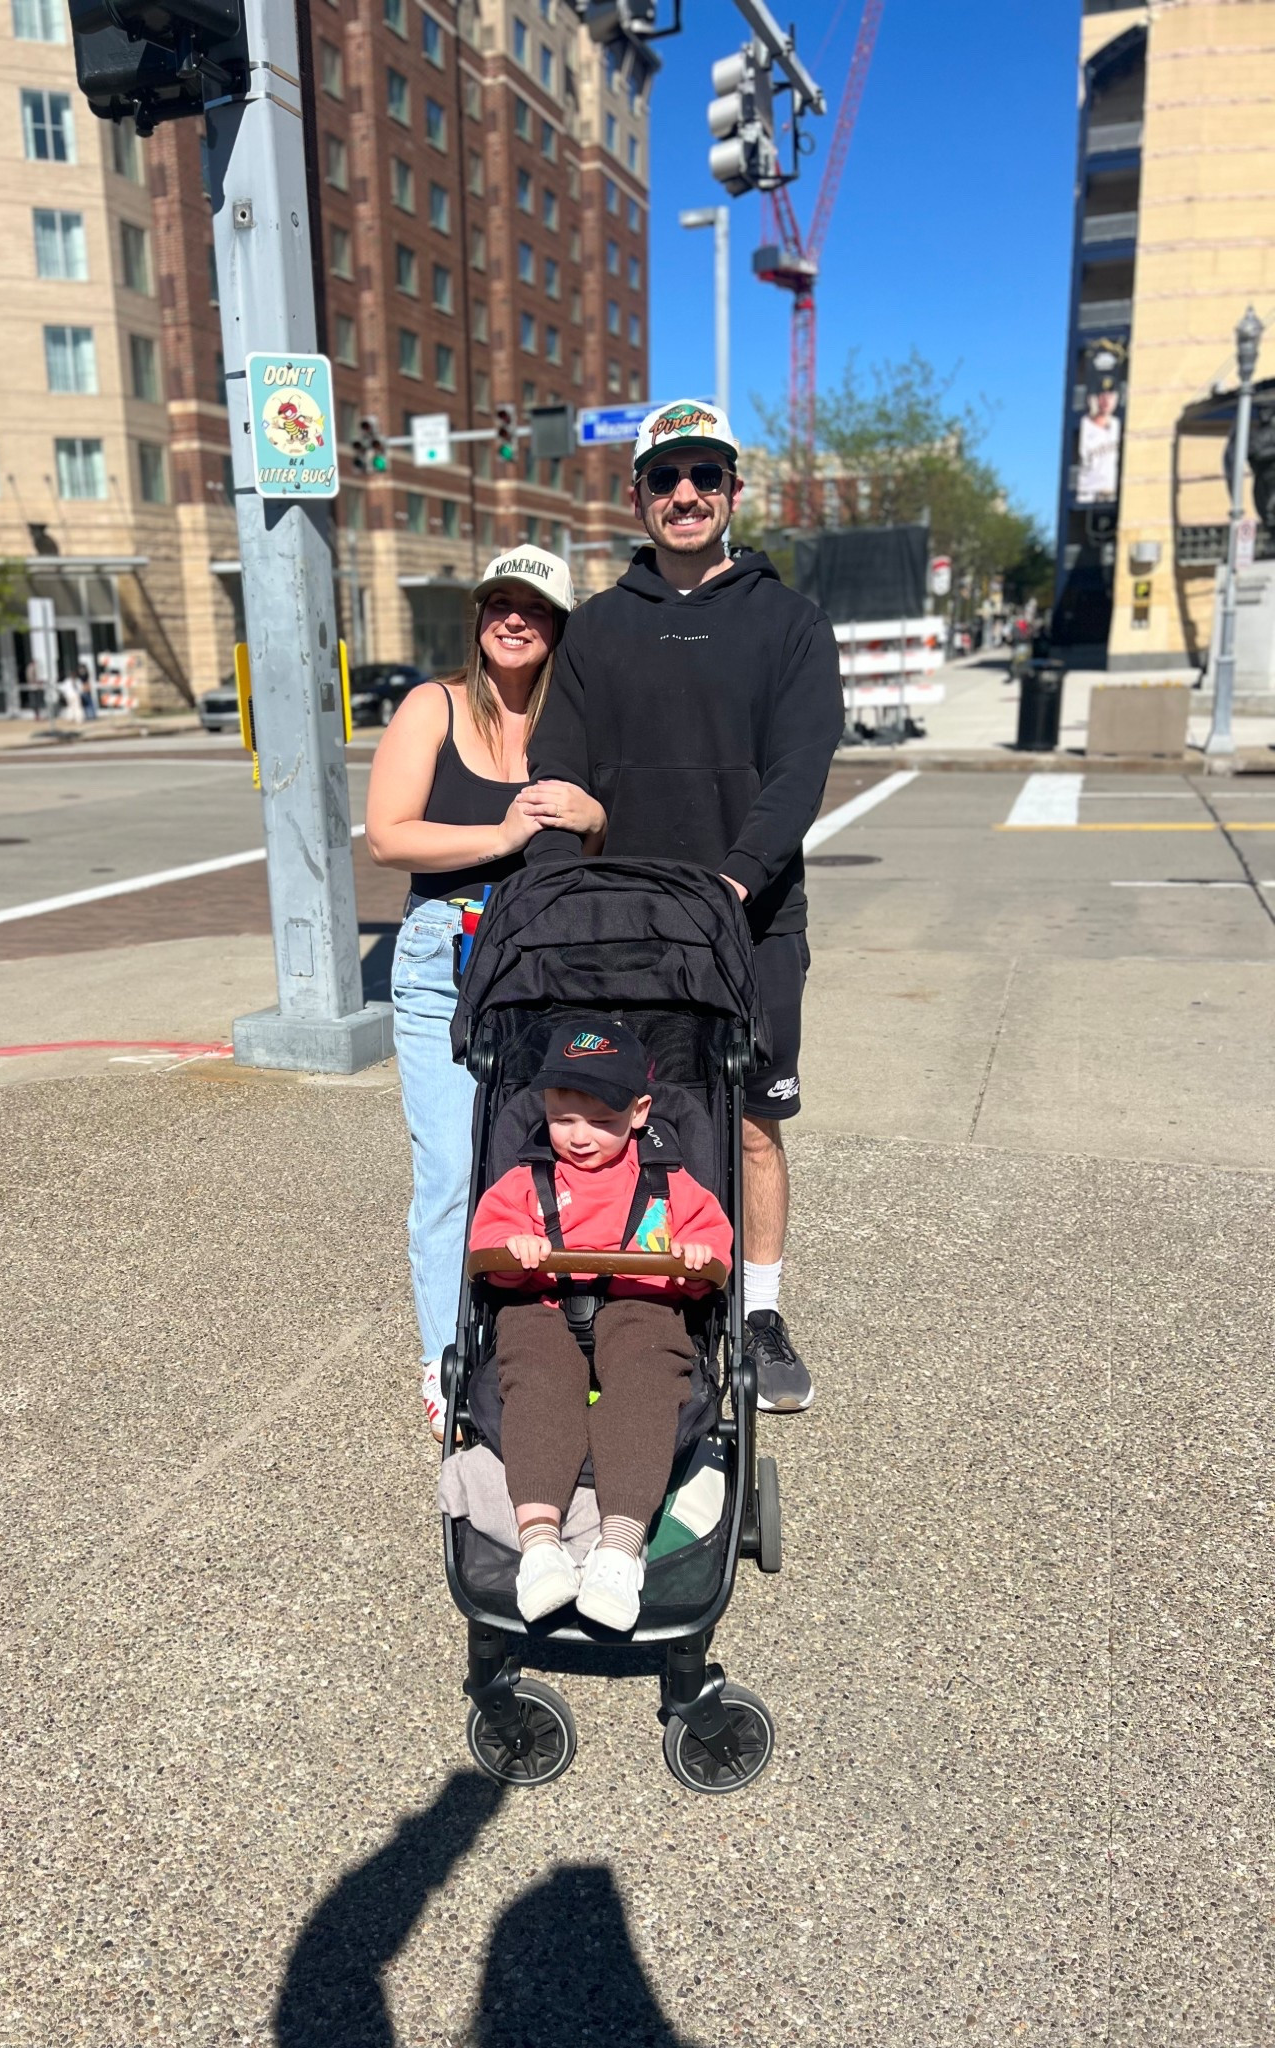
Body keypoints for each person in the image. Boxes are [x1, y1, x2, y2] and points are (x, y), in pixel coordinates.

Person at [522, 398, 843, 1415]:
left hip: (749, 919)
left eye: (706, 476)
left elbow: (801, 768)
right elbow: (557, 769)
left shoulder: (788, 621)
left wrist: (738, 876)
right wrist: (554, 883)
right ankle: (634, 1290)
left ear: (733, 492)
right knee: (621, 1110)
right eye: (666, 478)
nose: (687, 494)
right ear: (639, 496)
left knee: (751, 1123)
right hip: (626, 926)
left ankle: (758, 1308)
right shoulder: (600, 629)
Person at [365, 547, 606, 1440]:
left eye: (534, 608)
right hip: (445, 957)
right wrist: (503, 832)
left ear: (557, 626)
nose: (514, 619)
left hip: (543, 958)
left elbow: (602, 832)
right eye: (499, 603)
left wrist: (595, 822)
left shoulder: (571, 722)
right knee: (452, 1171)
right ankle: (443, 1357)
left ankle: (540, 1344)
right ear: (477, 617)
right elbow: (388, 838)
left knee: (547, 1158)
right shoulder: (434, 705)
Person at [468, 1018, 732, 1630]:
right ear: (544, 1109)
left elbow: (713, 1249)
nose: (580, 1136)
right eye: (564, 1119)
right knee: (535, 1381)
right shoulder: (523, 1184)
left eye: (601, 1121)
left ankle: (618, 1548)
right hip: (542, 1305)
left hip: (642, 1305)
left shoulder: (670, 1183)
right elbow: (486, 1251)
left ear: (640, 1112)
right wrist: (512, 1254)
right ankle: (539, 1546)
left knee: (646, 1380)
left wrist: (693, 1261)